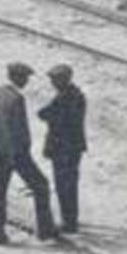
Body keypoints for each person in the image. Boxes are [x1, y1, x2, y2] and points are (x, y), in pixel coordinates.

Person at [0, 62, 55, 244]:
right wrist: (24, 151)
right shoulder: (16, 99)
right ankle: (45, 231)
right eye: (25, 78)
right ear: (17, 77)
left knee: (0, 191)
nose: (26, 81)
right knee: (41, 186)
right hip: (15, 153)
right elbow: (21, 131)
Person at [38, 64, 87, 234]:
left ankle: (69, 223)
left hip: (63, 148)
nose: (52, 82)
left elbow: (45, 114)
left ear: (63, 79)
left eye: (54, 79)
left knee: (64, 186)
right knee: (70, 184)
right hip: (72, 147)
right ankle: (71, 218)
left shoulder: (64, 98)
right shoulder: (74, 95)